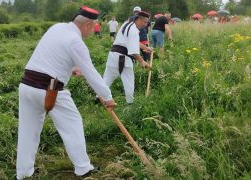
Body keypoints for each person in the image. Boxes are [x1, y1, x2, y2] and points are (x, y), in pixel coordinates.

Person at [16, 6, 115, 179]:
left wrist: (72, 68)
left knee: (27, 131)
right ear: (88, 25)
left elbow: (52, 56)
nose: (92, 31)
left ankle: (23, 174)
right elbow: (92, 74)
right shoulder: (76, 42)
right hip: (49, 90)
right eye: (93, 27)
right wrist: (107, 97)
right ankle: (83, 168)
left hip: (26, 87)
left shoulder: (57, 27)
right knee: (73, 124)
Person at [102, 11, 151, 104]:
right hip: (123, 58)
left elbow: (132, 41)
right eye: (144, 22)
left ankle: (98, 98)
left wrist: (146, 48)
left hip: (113, 55)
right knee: (128, 81)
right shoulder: (134, 30)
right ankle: (130, 103)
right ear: (138, 19)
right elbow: (133, 51)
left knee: (107, 78)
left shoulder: (127, 24)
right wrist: (142, 61)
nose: (145, 25)